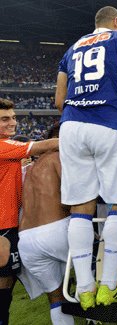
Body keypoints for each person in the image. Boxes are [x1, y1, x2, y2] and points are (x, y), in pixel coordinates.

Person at [55, 6, 117, 310]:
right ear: (116, 22)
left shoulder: (72, 48)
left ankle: (84, 288)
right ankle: (107, 286)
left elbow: (59, 99)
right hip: (110, 123)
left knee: (80, 207)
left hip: (72, 126)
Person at [0, 98, 59, 325]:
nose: (12, 123)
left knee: (7, 285)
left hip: (10, 224)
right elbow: (44, 146)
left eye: (14, 118)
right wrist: (83, 136)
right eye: (5, 119)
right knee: (3, 287)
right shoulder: (3, 146)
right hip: (3, 226)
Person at [17, 125, 74, 325]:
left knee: (56, 298)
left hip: (27, 241)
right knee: (93, 268)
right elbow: (72, 198)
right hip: (56, 230)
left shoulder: (29, 168)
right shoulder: (60, 158)